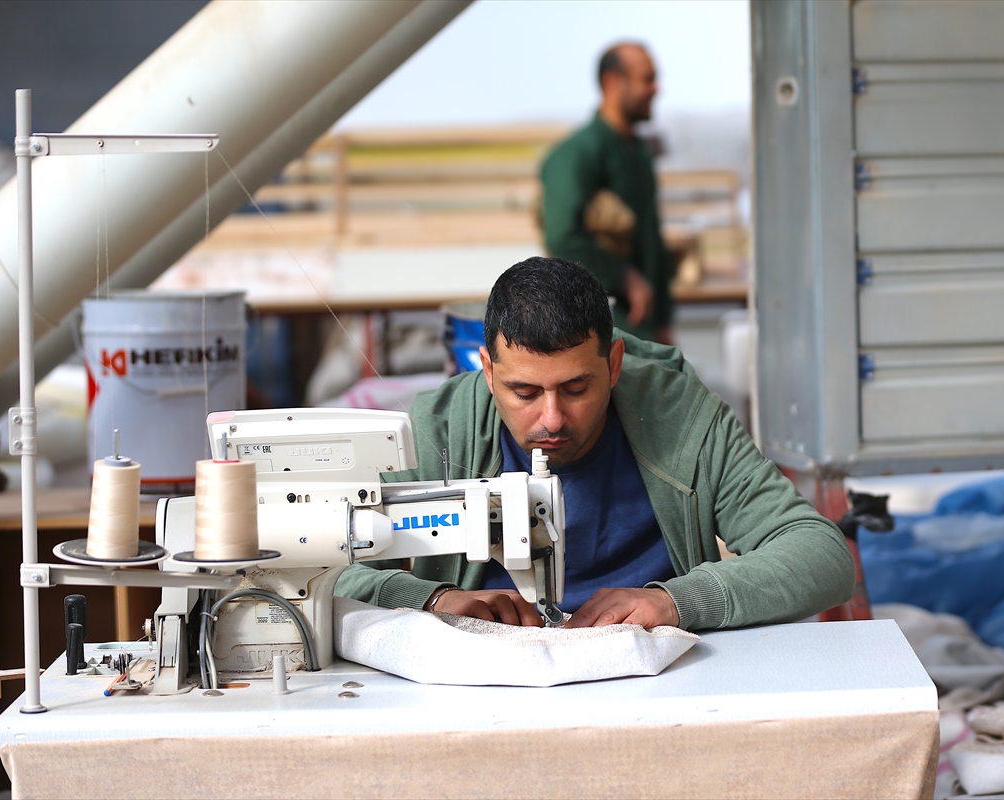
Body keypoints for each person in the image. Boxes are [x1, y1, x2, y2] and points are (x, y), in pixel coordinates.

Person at [335, 257, 855, 630]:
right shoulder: (440, 432)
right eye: (524, 393)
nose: (552, 418)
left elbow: (820, 554)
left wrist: (678, 601)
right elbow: (334, 573)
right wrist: (435, 599)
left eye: (577, 389)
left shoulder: (680, 417)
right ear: (488, 373)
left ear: (614, 364)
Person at [539, 42, 673, 343]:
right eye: (647, 79)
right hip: (603, 328)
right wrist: (624, 277)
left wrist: (664, 318)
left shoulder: (639, 152)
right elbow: (562, 237)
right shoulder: (576, 154)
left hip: (646, 328)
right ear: (613, 82)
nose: (656, 89)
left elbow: (652, 238)